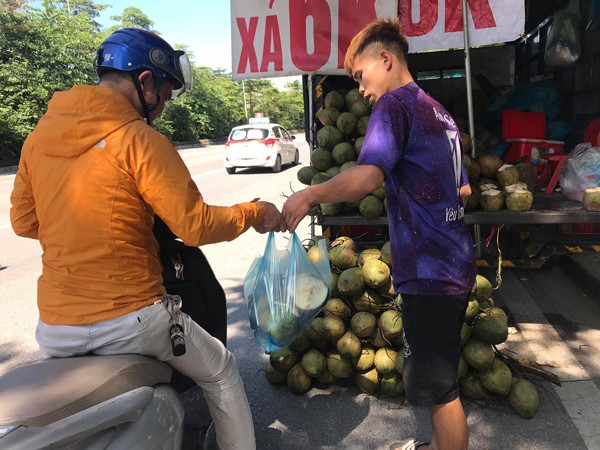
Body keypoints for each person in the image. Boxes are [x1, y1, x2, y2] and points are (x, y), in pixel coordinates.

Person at [10, 27, 284, 450]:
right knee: (223, 370)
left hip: (56, 328)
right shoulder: (139, 139)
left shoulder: (38, 139)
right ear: (145, 81)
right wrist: (254, 212)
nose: (160, 109)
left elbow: (25, 223)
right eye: (164, 95)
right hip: (131, 320)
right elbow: (194, 226)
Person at [282, 18, 476, 450]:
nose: (361, 90)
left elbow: (367, 176)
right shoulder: (438, 111)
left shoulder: (395, 107)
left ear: (385, 59)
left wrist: (311, 194)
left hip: (429, 270)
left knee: (440, 389)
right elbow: (463, 188)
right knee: (439, 377)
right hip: (454, 260)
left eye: (360, 76)